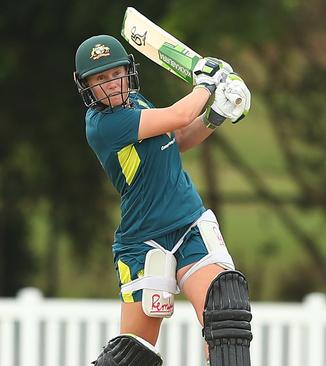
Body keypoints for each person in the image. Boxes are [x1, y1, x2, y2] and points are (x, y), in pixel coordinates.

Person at [73, 34, 253, 366]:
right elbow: (179, 115)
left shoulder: (137, 102)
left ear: (127, 72)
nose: (111, 84)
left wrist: (216, 115)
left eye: (115, 74)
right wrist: (206, 84)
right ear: (87, 87)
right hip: (143, 242)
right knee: (132, 356)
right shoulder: (103, 125)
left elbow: (177, 138)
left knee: (226, 316)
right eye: (100, 79)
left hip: (189, 224)